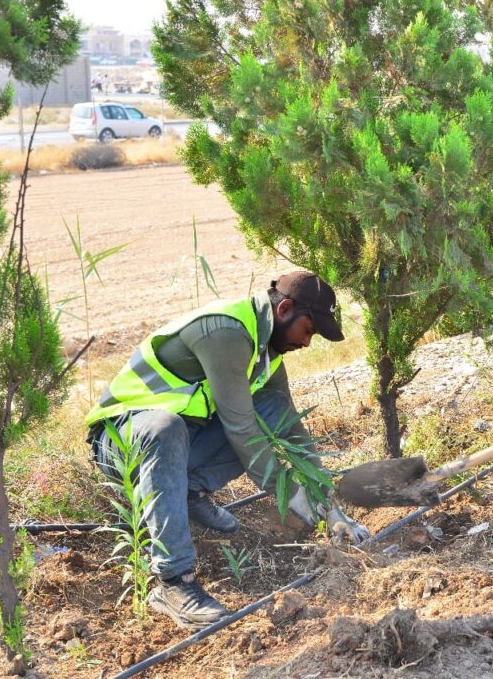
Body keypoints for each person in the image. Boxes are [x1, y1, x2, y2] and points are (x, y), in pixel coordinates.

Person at [86, 270, 369, 629]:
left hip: (179, 442)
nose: (308, 343)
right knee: (168, 428)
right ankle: (172, 582)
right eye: (309, 330)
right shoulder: (227, 332)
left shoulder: (266, 351)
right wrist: (290, 493)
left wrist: (329, 507)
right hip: (121, 439)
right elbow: (241, 429)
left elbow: (289, 427)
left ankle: (187, 491)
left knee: (270, 410)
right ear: (284, 309)